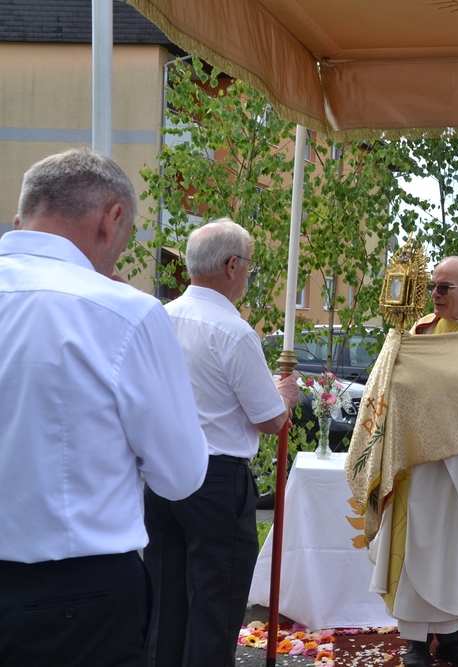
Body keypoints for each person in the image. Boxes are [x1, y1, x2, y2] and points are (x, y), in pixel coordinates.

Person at [0, 149, 209, 666]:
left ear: (23, 216)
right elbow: (180, 476)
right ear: (111, 219)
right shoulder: (124, 313)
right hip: (75, 600)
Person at [142, 219, 300, 667]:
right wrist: (284, 397)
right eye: (248, 264)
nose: (248, 273)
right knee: (215, 605)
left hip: (162, 472)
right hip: (215, 481)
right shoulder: (234, 331)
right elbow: (270, 420)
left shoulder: (157, 318)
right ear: (232, 265)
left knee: (165, 603)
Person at [347, 256, 458, 667]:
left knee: (457, 549)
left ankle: (452, 639)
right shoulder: (421, 329)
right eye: (432, 287)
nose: (434, 295)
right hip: (417, 463)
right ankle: (415, 643)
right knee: (414, 548)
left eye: (444, 288)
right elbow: (394, 382)